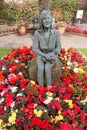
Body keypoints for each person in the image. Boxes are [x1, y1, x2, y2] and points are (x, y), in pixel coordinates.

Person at [33, 10, 61, 86]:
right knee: (41, 69)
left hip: (52, 55)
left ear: (51, 19)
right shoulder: (37, 33)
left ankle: (49, 89)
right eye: (44, 19)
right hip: (41, 55)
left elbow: (58, 47)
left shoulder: (56, 33)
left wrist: (52, 55)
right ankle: (41, 89)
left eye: (48, 18)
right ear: (41, 21)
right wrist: (45, 56)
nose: (47, 21)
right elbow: (35, 48)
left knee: (47, 68)